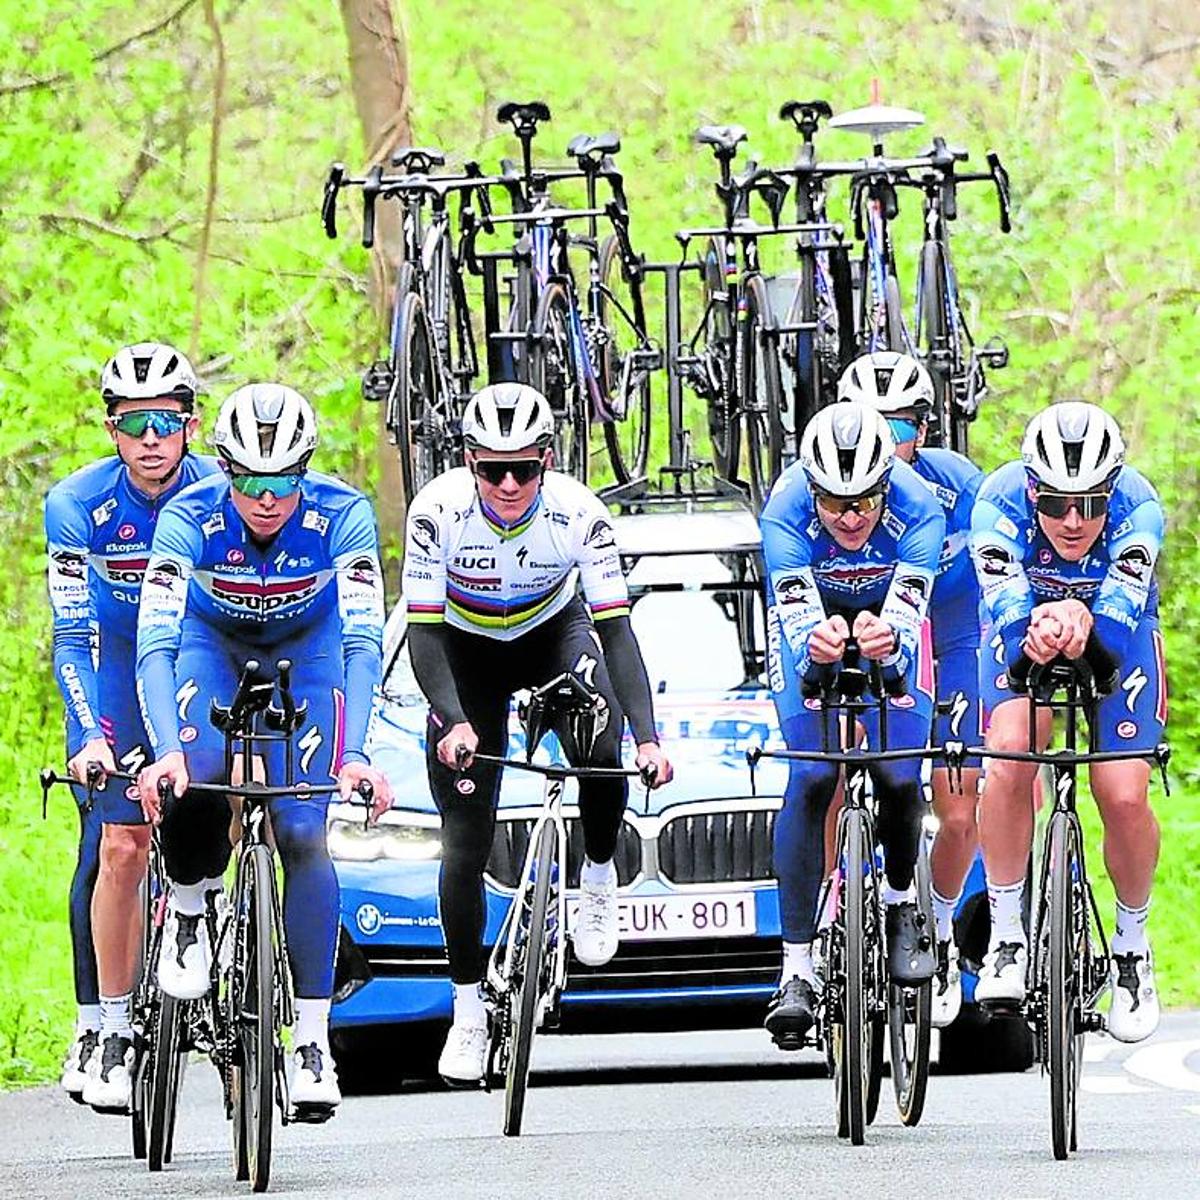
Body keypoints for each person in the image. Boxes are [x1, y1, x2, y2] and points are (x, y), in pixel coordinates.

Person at [401, 382, 673, 1086]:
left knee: (603, 743)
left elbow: (616, 629)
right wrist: (454, 719)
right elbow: (423, 634)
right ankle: (467, 1010)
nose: (510, 483)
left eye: (526, 467)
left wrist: (649, 736)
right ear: (469, 464)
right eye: (493, 469)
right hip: (462, 649)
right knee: (464, 833)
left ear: (548, 461)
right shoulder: (436, 513)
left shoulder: (581, 513)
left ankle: (598, 872)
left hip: (552, 632)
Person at [135, 383, 393, 1113]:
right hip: (209, 645)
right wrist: (164, 749)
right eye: (249, 481)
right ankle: (189, 907)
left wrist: (355, 753)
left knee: (305, 830)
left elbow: (362, 642)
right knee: (198, 777)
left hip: (307, 655)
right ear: (224, 471)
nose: (266, 499)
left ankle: (310, 1038)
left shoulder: (343, 514)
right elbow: (156, 640)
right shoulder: (188, 516)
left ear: (304, 473)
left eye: (282, 482)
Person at [45, 342, 219, 1111]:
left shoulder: (227, 489)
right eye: (133, 423)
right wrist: (90, 735)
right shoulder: (76, 505)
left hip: (193, 660)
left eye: (167, 421)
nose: (151, 438)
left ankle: (221, 916)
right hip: (114, 665)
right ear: (112, 430)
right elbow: (72, 630)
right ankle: (105, 1023)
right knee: (118, 843)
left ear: (191, 425)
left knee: (239, 798)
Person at [971, 401, 1164, 1042]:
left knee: (1123, 791)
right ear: (1031, 490)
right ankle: (1007, 935)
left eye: (1089, 503)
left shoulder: (1139, 508)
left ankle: (1132, 948)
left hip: (1118, 629)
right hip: (1023, 621)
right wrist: (1037, 627)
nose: (1073, 522)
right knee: (1007, 753)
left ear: (1113, 488)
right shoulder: (995, 503)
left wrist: (1089, 629)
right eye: (1054, 505)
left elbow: (1114, 626)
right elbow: (1002, 606)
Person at [760, 401, 946, 1047]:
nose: (849, 517)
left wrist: (888, 643)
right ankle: (795, 971)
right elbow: (791, 611)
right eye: (833, 504)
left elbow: (910, 610)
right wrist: (816, 650)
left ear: (885, 487)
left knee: (899, 774)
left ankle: (899, 907)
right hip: (811, 625)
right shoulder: (784, 508)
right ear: (811, 488)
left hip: (889, 622)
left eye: (864, 502)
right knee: (812, 777)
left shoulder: (919, 507)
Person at [840, 351, 984, 1028]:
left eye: (897, 423)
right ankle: (834, 909)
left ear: (920, 430)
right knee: (833, 770)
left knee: (958, 810)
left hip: (949, 637)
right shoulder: (829, 484)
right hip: (862, 638)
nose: (885, 437)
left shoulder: (958, 485)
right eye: (870, 421)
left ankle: (943, 928)